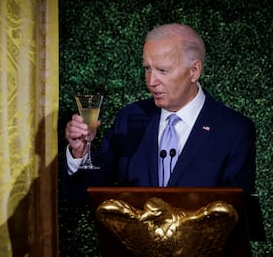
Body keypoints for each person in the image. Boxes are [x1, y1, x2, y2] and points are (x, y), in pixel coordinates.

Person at [60, 23, 256, 205]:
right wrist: (80, 153)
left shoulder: (234, 130)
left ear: (194, 71)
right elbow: (81, 195)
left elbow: (236, 213)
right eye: (147, 69)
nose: (151, 81)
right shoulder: (129, 118)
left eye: (163, 70)